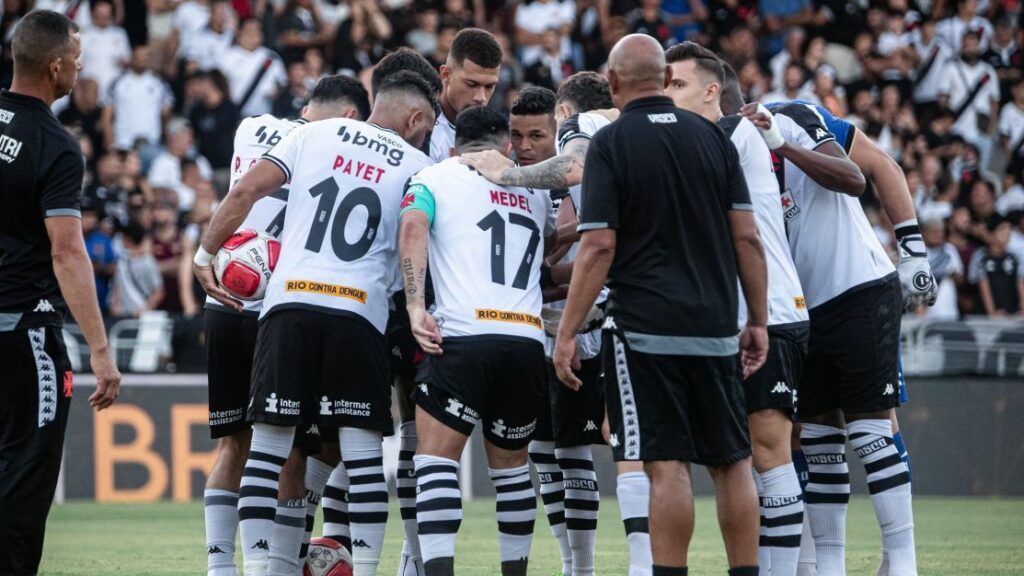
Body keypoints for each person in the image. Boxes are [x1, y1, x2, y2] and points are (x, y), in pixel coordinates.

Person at [195, 70, 435, 576]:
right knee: (364, 455)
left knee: (267, 449)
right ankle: (366, 569)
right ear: (415, 118)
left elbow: (244, 192)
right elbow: (417, 237)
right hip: (358, 312)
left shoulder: (308, 133)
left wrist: (204, 254)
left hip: (289, 306)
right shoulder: (420, 165)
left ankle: (264, 570)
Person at [553, 34, 768, 576]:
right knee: (732, 461)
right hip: (717, 324)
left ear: (615, 83)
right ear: (665, 80)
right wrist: (758, 319)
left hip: (646, 330)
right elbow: (747, 238)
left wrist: (568, 331)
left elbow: (599, 245)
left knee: (666, 465)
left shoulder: (611, 144)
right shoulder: (713, 138)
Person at [462, 71, 655, 576]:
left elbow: (595, 251)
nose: (525, 148)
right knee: (550, 451)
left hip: (590, 328)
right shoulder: (514, 185)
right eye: (518, 136)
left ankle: (594, 565)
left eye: (537, 136)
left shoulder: (572, 173)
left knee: (604, 443)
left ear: (560, 128)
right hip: (538, 331)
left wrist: (552, 264)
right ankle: (574, 565)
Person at [740, 99, 918, 574]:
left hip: (858, 285)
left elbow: (858, 176)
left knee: (872, 430)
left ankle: (903, 563)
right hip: (799, 310)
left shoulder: (789, 117)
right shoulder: (725, 153)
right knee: (818, 441)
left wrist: (913, 247)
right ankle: (828, 567)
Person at [665, 42, 809, 576]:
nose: (666, 97)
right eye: (662, 86)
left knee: (768, 454)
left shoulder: (733, 132)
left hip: (770, 314)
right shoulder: (701, 142)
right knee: (745, 457)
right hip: (741, 318)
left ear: (711, 92)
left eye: (677, 85)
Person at [399, 105, 555, 576]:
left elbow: (412, 226)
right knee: (511, 472)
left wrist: (413, 305)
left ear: (453, 147)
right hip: (526, 341)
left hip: (464, 337)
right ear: (505, 145)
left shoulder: (436, 176)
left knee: (435, 462)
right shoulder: (533, 186)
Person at [0, 9, 120, 574]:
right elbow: (68, 252)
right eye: (76, 58)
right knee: (23, 479)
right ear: (54, 67)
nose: (79, 67)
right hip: (24, 333)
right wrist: (100, 349)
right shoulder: (54, 144)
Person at [364, 47, 442, 576]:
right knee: (360, 433)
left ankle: (409, 554)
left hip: (381, 305)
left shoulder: (329, 138)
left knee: (393, 430)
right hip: (388, 303)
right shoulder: (424, 160)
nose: (481, 96)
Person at [428, 28, 502, 163]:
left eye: (489, 86)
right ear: (446, 75)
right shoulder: (423, 131)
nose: (481, 97)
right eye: (471, 84)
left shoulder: (496, 134)